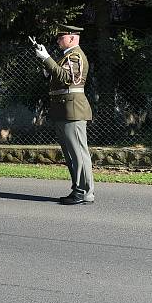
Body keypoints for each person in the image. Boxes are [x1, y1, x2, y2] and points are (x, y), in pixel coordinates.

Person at [34, 25, 94, 205]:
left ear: (72, 37)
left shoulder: (75, 55)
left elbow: (68, 78)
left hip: (73, 109)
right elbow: (58, 76)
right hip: (65, 109)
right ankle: (79, 189)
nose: (58, 39)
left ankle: (83, 191)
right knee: (71, 153)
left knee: (78, 153)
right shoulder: (67, 56)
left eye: (61, 36)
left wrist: (47, 58)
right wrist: (47, 63)